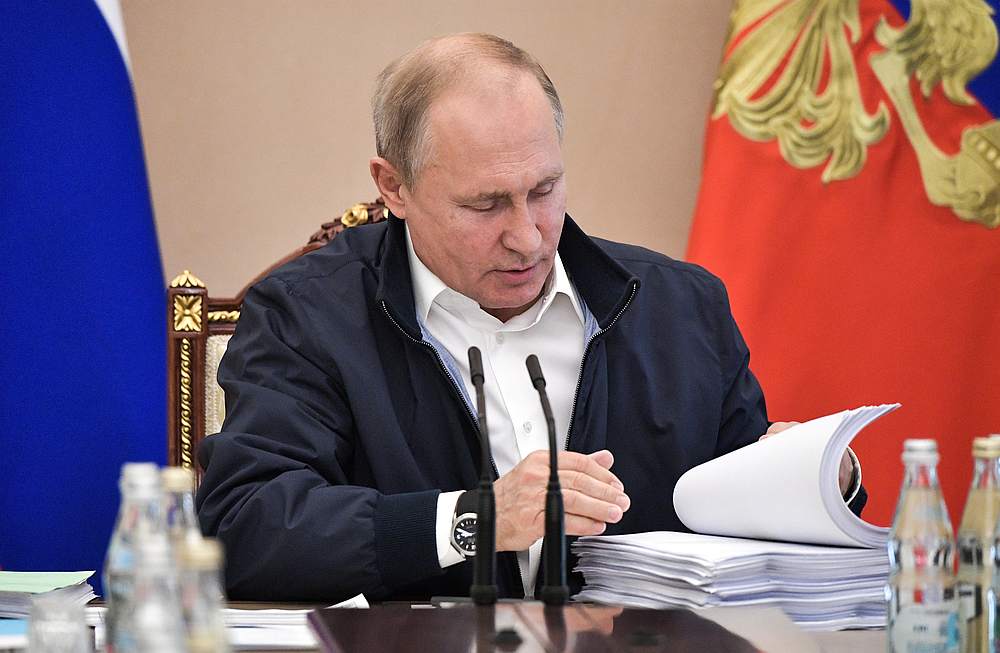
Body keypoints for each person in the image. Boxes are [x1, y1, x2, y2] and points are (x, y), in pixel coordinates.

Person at [196, 33, 865, 603]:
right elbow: (244, 525)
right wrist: (472, 518)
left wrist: (815, 479)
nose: (528, 237)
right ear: (393, 186)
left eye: (543, 191)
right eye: (485, 205)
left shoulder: (681, 308)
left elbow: (746, 517)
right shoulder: (306, 314)